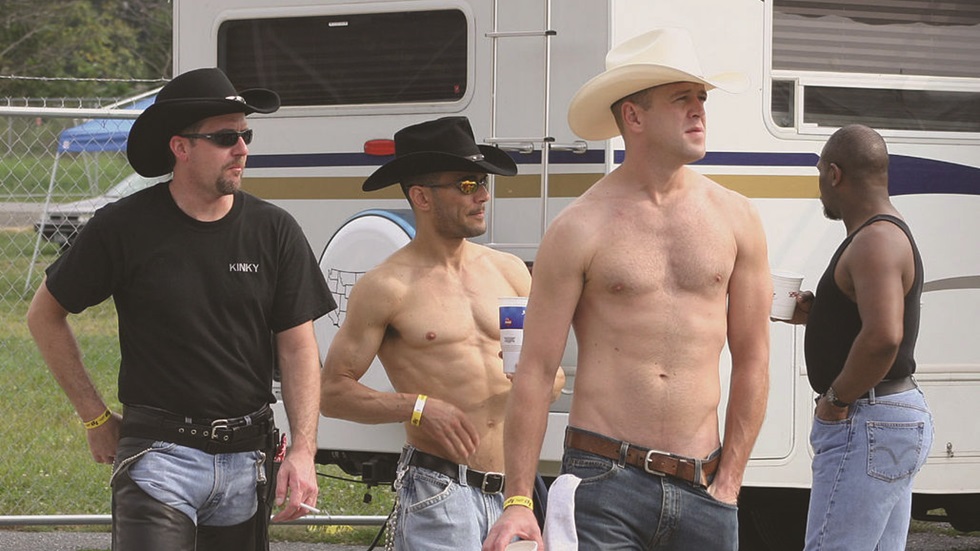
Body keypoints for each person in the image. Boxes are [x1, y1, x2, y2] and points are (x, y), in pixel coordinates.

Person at [483, 27, 772, 550]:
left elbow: (754, 358)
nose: (699, 110)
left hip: (705, 486)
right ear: (634, 117)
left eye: (701, 97)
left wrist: (730, 481)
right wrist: (519, 500)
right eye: (681, 98)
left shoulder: (737, 218)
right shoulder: (578, 227)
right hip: (603, 481)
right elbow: (536, 369)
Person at [26, 68, 336, 551]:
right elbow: (43, 315)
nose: (242, 149)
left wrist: (303, 450)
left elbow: (298, 348)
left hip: (248, 458)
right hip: (159, 456)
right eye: (225, 137)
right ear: (180, 147)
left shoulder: (275, 230)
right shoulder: (122, 226)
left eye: (246, 135)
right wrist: (95, 417)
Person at [319, 116, 564, 550]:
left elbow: (554, 376)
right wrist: (418, 408)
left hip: (515, 490)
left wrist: (534, 377)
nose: (483, 195)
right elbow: (332, 393)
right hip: (440, 489)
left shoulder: (509, 272)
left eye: (483, 182)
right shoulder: (387, 286)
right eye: (467, 185)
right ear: (421, 196)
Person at [784, 124, 934, 550]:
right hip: (885, 415)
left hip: (868, 415)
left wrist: (836, 400)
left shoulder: (875, 240)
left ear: (835, 174)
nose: (820, 187)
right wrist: (821, 316)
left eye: (819, 174)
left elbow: (884, 337)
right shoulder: (884, 233)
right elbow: (870, 321)